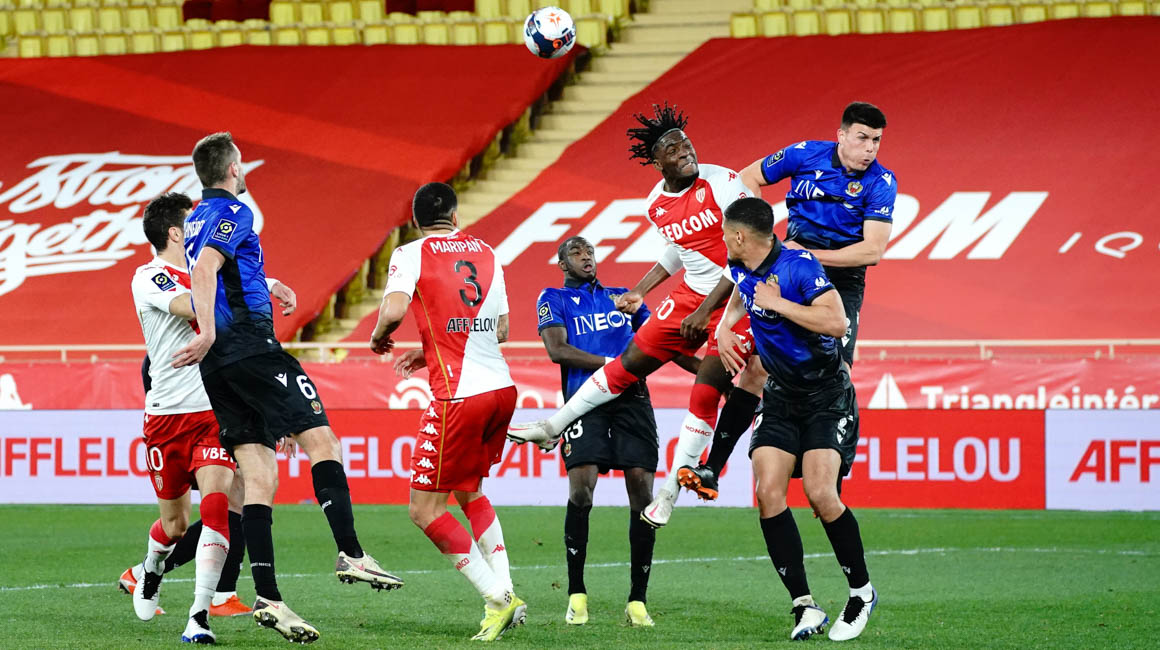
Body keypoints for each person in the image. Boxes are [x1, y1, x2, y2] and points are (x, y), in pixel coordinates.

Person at [174, 132, 402, 644]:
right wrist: (207, 330)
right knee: (322, 441)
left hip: (220, 370)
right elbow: (207, 269)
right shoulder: (236, 211)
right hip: (252, 350)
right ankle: (352, 552)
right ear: (233, 169)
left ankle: (269, 598)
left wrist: (265, 280)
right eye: (240, 162)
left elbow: (218, 267)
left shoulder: (196, 218)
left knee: (259, 475)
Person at [508, 102, 767, 529]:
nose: (685, 152)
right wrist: (642, 290)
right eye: (673, 149)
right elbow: (679, 249)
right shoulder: (655, 204)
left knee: (705, 392)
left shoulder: (723, 183)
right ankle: (553, 427)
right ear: (657, 162)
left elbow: (746, 254)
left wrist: (706, 311)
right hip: (690, 297)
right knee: (630, 362)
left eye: (687, 144)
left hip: (736, 299)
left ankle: (668, 496)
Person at [715, 196, 877, 642]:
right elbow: (740, 291)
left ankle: (861, 593)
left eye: (727, 234)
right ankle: (804, 605)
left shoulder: (798, 266)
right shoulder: (741, 266)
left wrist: (779, 304)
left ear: (740, 236)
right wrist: (725, 326)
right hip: (780, 396)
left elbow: (837, 322)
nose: (724, 240)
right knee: (768, 492)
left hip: (826, 395)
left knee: (821, 494)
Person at [370, 182, 526, 642]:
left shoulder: (410, 253)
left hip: (459, 396)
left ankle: (496, 599)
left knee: (423, 510)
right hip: (502, 390)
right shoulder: (488, 253)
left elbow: (394, 309)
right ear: (455, 217)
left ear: (416, 222)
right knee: (468, 491)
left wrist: (379, 335)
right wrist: (429, 352)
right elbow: (500, 329)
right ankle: (507, 592)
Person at [537, 236, 697, 627]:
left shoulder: (623, 297)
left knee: (642, 491)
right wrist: (614, 365)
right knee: (581, 490)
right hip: (584, 401)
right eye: (576, 253)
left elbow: (662, 342)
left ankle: (637, 601)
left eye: (589, 251)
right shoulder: (553, 298)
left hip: (632, 400)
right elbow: (557, 350)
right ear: (562, 264)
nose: (586, 257)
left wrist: (707, 371)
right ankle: (576, 594)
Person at [127, 192, 256, 643]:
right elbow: (191, 305)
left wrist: (264, 285)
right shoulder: (150, 277)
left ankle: (199, 616)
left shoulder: (208, 272)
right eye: (194, 223)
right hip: (166, 417)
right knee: (175, 525)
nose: (203, 228)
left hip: (211, 415)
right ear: (176, 233)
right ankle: (150, 567)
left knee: (219, 506)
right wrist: (249, 293)